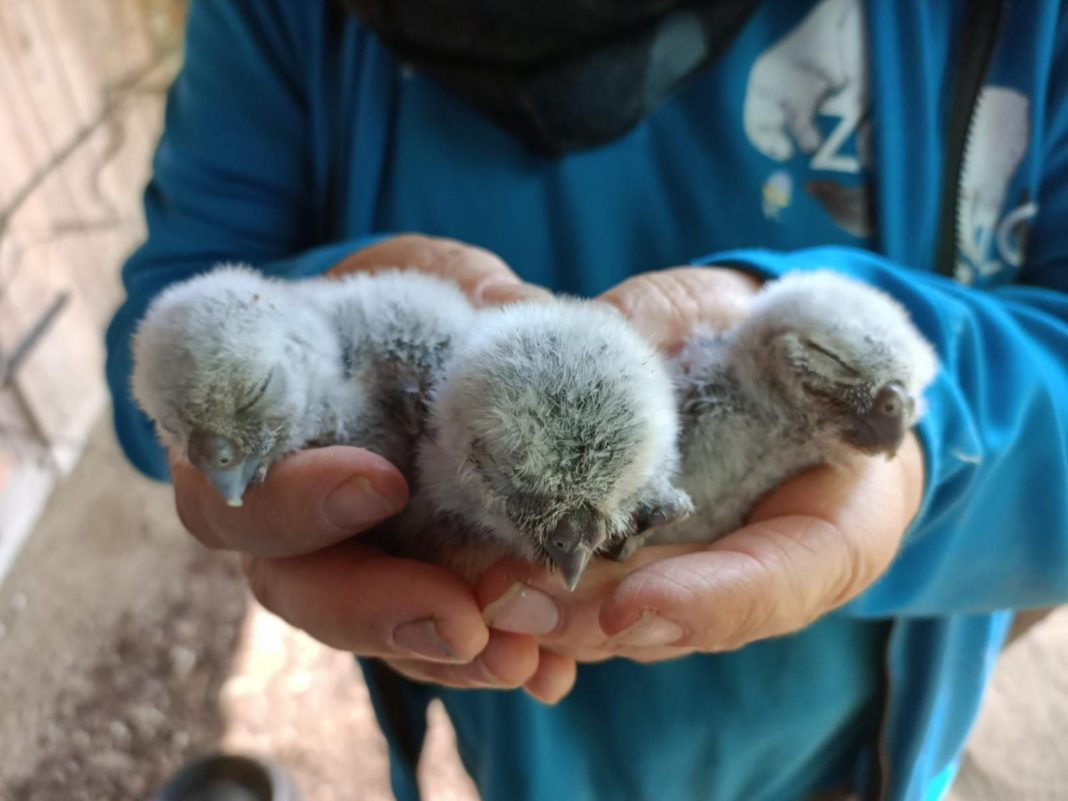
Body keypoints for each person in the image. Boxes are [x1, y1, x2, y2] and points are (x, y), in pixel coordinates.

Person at [105, 1, 1068, 799]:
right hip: (510, 722)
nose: (572, 554)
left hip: (867, 755)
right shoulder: (276, 19)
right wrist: (307, 333)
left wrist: (938, 453)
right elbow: (176, 326)